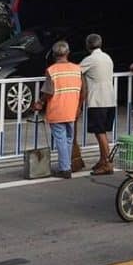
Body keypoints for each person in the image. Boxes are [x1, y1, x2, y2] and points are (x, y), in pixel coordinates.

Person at [33, 41, 83, 179]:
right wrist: (79, 106)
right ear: (67, 53)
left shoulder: (52, 70)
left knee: (60, 139)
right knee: (68, 138)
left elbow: (49, 92)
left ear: (54, 54)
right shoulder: (77, 69)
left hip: (57, 109)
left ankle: (65, 168)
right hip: (72, 109)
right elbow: (83, 89)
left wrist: (40, 102)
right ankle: (66, 165)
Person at [79, 34, 116, 175]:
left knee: (100, 133)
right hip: (110, 99)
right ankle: (102, 160)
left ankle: (107, 162)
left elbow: (76, 70)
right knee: (103, 132)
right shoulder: (107, 57)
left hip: (97, 100)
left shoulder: (90, 59)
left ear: (88, 45)